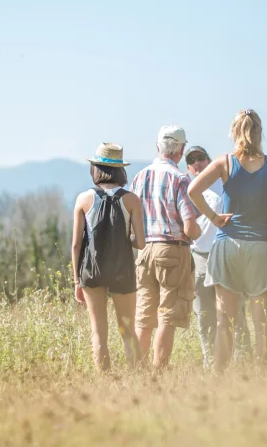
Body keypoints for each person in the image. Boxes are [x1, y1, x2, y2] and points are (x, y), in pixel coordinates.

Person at [188, 109, 267, 371]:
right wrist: (265, 210)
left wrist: (213, 217)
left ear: (234, 132)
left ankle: (219, 378)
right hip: (262, 245)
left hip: (228, 244)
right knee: (263, 323)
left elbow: (192, 189)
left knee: (224, 322)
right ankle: (264, 380)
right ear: (259, 132)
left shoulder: (224, 162)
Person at [131, 126, 215, 369]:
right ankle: (159, 372)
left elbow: (132, 224)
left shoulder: (140, 177)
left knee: (144, 317)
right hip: (172, 250)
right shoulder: (180, 179)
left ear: (158, 148)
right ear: (181, 150)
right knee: (167, 315)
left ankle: (137, 370)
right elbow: (190, 227)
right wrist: (200, 230)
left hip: (145, 250)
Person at [72, 143, 146, 372]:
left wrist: (77, 280)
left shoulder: (83, 199)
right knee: (127, 330)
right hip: (122, 270)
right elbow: (141, 243)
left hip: (91, 271)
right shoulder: (132, 200)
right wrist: (126, 239)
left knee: (98, 332)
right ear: (120, 170)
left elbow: (76, 244)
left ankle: (104, 381)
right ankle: (137, 378)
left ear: (96, 169)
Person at [185, 145, 251, 367]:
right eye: (191, 160)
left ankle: (244, 361)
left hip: (226, 251)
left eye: (201, 158)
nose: (196, 163)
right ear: (188, 167)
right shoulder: (188, 188)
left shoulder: (223, 184)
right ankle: (211, 362)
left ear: (209, 160)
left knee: (234, 311)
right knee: (204, 313)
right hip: (199, 255)